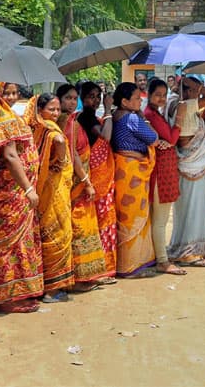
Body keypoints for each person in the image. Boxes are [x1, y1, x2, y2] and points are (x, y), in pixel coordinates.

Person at [0, 83, 43, 314]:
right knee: (7, 245)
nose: (11, 97)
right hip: (6, 193)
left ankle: (16, 292)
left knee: (16, 243)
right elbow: (11, 155)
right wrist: (28, 188)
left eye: (14, 93)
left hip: (7, 192)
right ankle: (6, 297)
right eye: (6, 93)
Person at [24, 93, 75, 302]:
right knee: (59, 234)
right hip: (54, 189)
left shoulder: (32, 128)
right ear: (39, 111)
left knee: (45, 234)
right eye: (50, 109)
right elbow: (60, 141)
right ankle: (53, 289)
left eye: (56, 109)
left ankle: (42, 284)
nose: (55, 113)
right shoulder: (51, 130)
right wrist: (60, 161)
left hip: (42, 187)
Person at [58, 84, 108, 289]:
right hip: (75, 183)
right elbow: (73, 155)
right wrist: (86, 182)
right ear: (59, 100)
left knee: (83, 225)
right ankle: (77, 278)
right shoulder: (66, 123)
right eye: (67, 98)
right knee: (78, 227)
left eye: (73, 98)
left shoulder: (73, 120)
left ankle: (85, 275)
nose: (71, 102)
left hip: (78, 180)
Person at [110, 82, 159, 278]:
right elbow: (153, 138)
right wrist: (142, 118)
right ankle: (129, 266)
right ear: (125, 101)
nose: (141, 101)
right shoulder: (131, 118)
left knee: (125, 215)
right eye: (137, 98)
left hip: (122, 167)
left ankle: (127, 262)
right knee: (133, 215)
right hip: (132, 171)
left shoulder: (115, 115)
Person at [169, 77, 205, 266]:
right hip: (192, 166)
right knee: (194, 209)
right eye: (195, 89)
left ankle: (184, 249)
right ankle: (190, 253)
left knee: (187, 209)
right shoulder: (187, 105)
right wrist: (197, 85)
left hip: (188, 166)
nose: (199, 93)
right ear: (188, 91)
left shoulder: (179, 105)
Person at [143, 79, 186, 275]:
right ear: (149, 94)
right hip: (160, 172)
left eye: (164, 94)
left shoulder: (155, 114)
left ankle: (158, 256)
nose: (161, 98)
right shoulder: (150, 115)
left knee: (158, 218)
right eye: (157, 94)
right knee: (160, 219)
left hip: (165, 169)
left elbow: (168, 141)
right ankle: (162, 260)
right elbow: (171, 139)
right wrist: (180, 121)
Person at [77, 82, 118, 279]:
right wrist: (109, 109)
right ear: (82, 97)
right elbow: (105, 138)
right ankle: (103, 267)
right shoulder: (85, 118)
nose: (94, 100)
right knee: (102, 220)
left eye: (97, 96)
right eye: (90, 96)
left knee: (105, 219)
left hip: (101, 175)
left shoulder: (94, 117)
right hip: (96, 176)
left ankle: (106, 265)